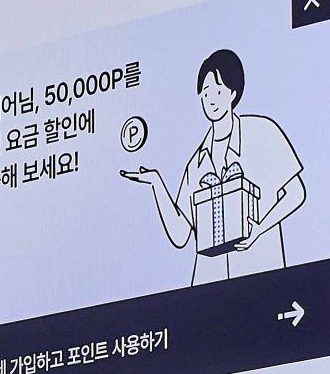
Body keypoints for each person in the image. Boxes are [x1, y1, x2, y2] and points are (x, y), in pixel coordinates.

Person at [118, 46, 305, 284]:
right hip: (209, 289)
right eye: (205, 93)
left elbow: (296, 193)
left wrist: (259, 230)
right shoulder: (196, 164)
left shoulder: (262, 132)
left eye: (217, 91)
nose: (210, 100)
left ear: (233, 93)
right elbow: (180, 235)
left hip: (261, 276)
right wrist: (156, 183)